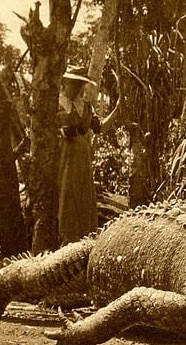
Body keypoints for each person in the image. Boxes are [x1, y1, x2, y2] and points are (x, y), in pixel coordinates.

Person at [56, 65, 119, 246]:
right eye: (73, 83)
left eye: (80, 84)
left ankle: (84, 240)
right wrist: (60, 132)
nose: (76, 88)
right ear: (65, 83)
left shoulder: (87, 107)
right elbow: (45, 132)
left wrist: (117, 110)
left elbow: (99, 127)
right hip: (64, 158)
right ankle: (65, 240)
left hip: (82, 158)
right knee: (66, 196)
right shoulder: (56, 103)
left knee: (83, 196)